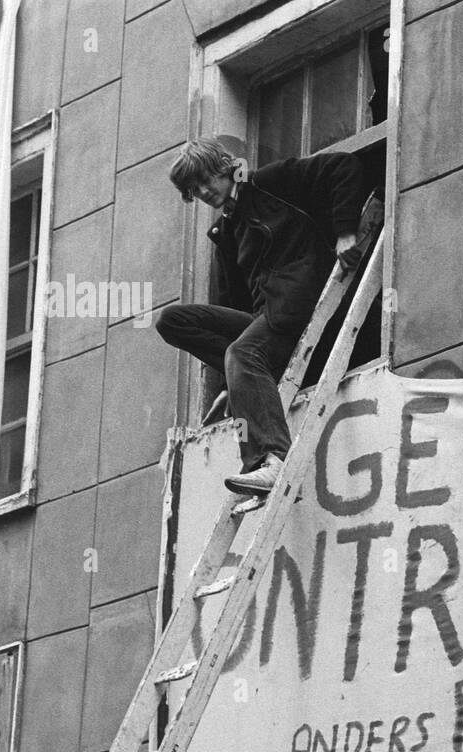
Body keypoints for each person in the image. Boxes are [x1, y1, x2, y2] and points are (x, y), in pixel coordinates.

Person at [157, 138, 367, 495]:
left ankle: (272, 459)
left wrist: (345, 232)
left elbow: (344, 168)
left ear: (226, 168)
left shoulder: (270, 184)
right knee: (172, 321)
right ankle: (246, 376)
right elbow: (234, 302)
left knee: (243, 353)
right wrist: (231, 382)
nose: (205, 191)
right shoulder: (224, 232)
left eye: (208, 179)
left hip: (300, 304)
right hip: (267, 321)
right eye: (195, 188)